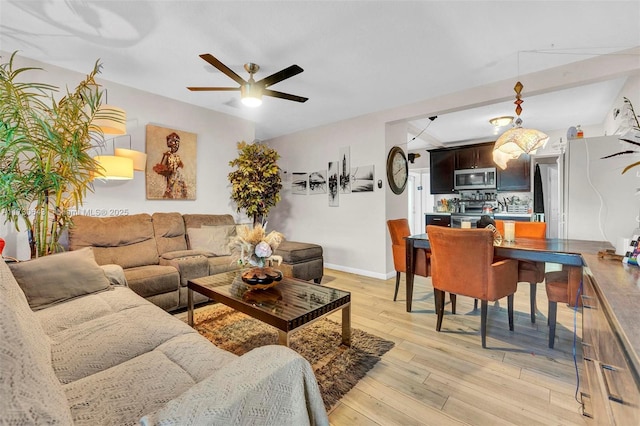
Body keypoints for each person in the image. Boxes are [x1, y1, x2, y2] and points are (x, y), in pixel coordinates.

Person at [153, 132, 188, 199]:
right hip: (170, 178)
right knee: (170, 192)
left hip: (178, 178)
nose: (177, 145)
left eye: (178, 143)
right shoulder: (167, 155)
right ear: (170, 143)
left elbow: (181, 166)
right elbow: (161, 168)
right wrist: (167, 170)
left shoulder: (177, 157)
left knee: (182, 191)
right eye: (175, 142)